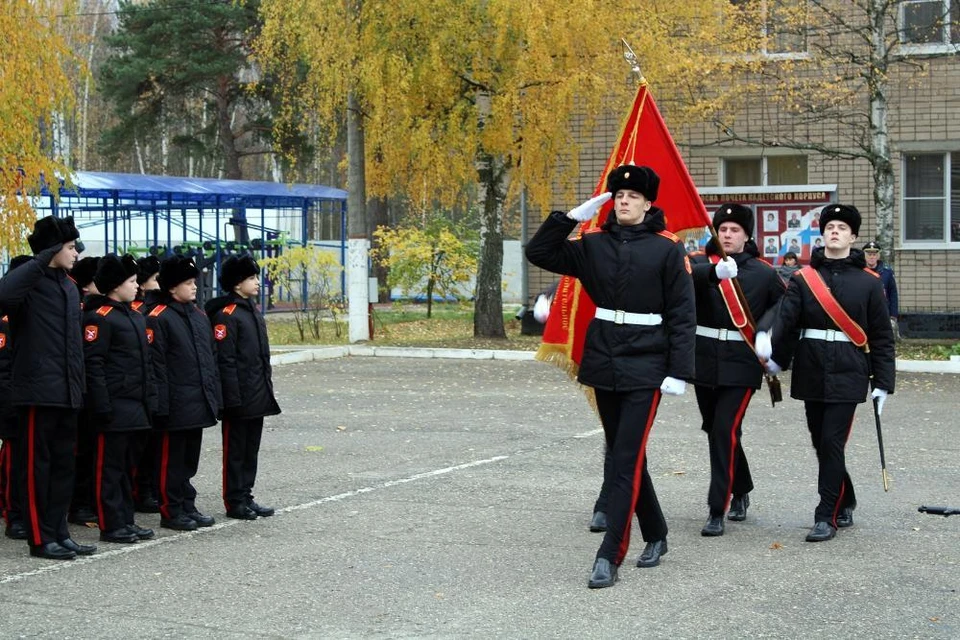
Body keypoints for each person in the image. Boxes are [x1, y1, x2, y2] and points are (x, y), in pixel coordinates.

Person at [525, 164, 696, 589]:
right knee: (626, 454)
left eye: (633, 196)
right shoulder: (593, 243)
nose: (624, 201)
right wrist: (570, 219)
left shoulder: (668, 248)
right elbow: (539, 253)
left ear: (648, 203)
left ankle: (610, 554)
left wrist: (679, 371)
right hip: (603, 357)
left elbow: (682, 314)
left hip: (648, 361)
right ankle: (656, 533)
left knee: (624, 458)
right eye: (619, 195)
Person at [756, 204, 895, 542]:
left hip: (849, 369)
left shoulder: (870, 282)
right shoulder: (805, 279)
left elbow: (880, 336)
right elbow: (787, 323)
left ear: (853, 236)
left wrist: (883, 383)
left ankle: (826, 516)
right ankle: (845, 498)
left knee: (832, 442)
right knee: (822, 443)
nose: (835, 231)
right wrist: (776, 359)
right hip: (812, 367)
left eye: (842, 227)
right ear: (823, 234)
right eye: (830, 226)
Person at [0, 216, 96, 560]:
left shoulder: (68, 287)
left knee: (61, 468)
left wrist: (79, 388)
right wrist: (41, 258)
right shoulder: (29, 283)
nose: (75, 254)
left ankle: (59, 532)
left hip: (67, 393)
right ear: (54, 248)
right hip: (36, 393)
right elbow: (3, 295)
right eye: (70, 247)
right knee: (36, 469)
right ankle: (40, 538)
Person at [689, 204, 787, 536]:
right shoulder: (699, 265)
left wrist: (766, 331)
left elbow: (783, 304)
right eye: (723, 229)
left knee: (723, 431)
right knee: (715, 429)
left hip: (741, 362)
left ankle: (718, 507)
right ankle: (741, 485)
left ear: (747, 235)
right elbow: (679, 289)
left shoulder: (763, 272)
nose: (728, 235)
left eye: (734, 230)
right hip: (702, 359)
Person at [83, 254, 157, 543]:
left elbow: (145, 364)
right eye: (131, 281)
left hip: (136, 406)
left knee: (128, 468)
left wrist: (149, 399)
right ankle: (111, 523)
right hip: (114, 407)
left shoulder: (136, 318)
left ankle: (126, 519)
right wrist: (101, 405)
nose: (137, 285)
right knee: (109, 469)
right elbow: (94, 365)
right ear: (115, 286)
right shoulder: (99, 319)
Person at [146, 255, 222, 531]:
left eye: (194, 282)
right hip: (174, 405)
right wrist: (161, 405)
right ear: (171, 287)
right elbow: (156, 367)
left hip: (196, 402)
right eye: (188, 283)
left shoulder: (199, 316)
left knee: (189, 460)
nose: (194, 288)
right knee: (170, 461)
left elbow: (209, 361)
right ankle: (171, 509)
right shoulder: (158, 318)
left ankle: (187, 503)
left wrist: (213, 398)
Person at [206, 255, 281, 520]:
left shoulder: (251, 311)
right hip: (238, 398)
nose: (257, 282)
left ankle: (246, 495)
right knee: (235, 452)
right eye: (251, 278)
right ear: (237, 283)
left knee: (250, 450)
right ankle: (234, 500)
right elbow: (224, 361)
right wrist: (230, 399)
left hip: (257, 394)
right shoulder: (227, 317)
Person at [0, 256, 33, 541]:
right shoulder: (5, 321)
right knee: (15, 464)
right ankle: (14, 514)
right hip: (12, 402)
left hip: (32, 396)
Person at [69, 255, 102, 527]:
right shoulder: (87, 315)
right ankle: (80, 503)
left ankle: (87, 501)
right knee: (81, 451)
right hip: (83, 393)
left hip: (91, 393)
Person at [130, 254, 163, 513]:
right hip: (137, 389)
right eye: (155, 280)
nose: (159, 284)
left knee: (155, 446)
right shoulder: (139, 312)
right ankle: (142, 491)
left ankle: (151, 488)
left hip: (155, 387)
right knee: (142, 447)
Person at [863, 241, 899, 337]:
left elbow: (893, 294)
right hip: (865, 313)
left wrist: (893, 316)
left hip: (883, 313)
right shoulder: (859, 272)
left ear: (878, 256)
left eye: (874, 254)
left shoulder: (887, 273)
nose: (872, 257)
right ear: (864, 255)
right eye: (869, 254)